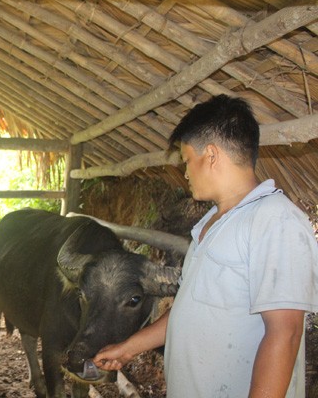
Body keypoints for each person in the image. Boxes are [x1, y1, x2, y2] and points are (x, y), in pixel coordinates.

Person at [93, 94, 318, 397]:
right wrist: (130, 348)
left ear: (210, 155)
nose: (185, 173)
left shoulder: (275, 221)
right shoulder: (210, 224)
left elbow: (285, 333)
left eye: (187, 160)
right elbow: (192, 306)